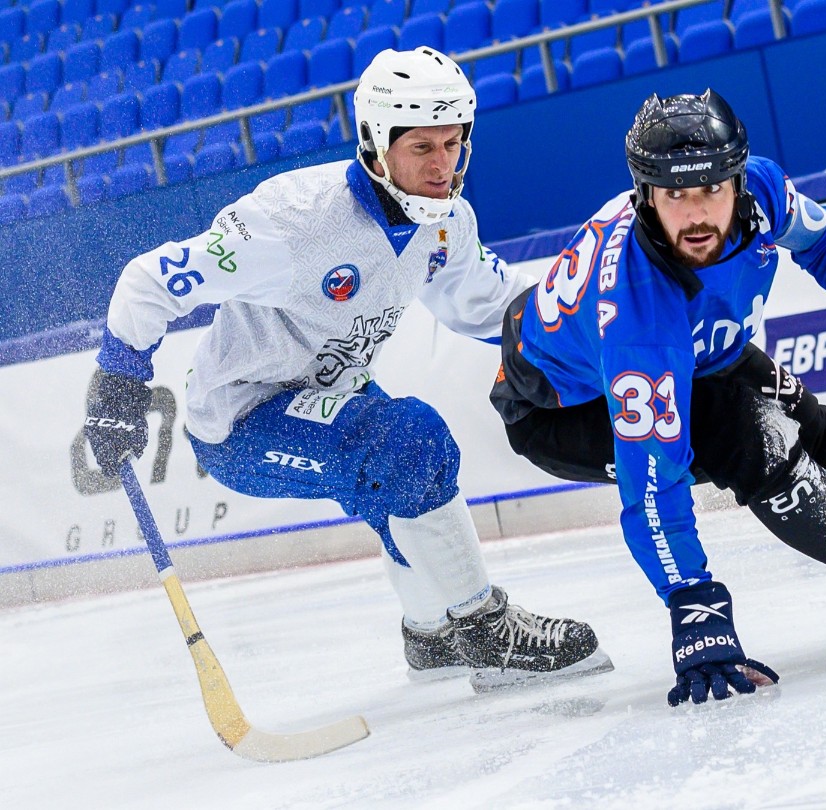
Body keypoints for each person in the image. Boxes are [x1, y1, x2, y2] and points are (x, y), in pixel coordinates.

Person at [83, 47, 612, 693]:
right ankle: (483, 628)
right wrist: (117, 382)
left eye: (453, 143)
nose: (443, 165)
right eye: (422, 147)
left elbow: (491, 304)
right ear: (374, 142)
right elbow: (149, 281)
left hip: (331, 392)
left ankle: (430, 635)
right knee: (407, 441)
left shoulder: (445, 224)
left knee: (396, 470)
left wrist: (594, 326)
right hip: (241, 422)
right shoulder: (291, 222)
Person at [490, 90, 826, 706]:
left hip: (702, 352)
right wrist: (696, 607)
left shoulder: (763, 191)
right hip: (563, 408)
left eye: (711, 191)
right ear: (645, 195)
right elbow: (652, 487)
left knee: (825, 430)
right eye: (675, 196)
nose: (697, 215)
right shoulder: (637, 319)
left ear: (738, 182)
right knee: (748, 433)